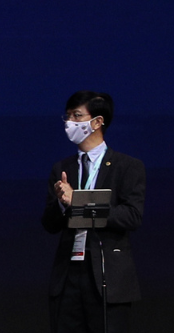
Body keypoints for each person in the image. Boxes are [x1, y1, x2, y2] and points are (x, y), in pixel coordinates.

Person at [41, 91, 145, 333]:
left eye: (77, 116)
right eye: (67, 117)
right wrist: (62, 203)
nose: (70, 123)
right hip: (68, 275)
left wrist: (78, 201)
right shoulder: (62, 168)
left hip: (106, 274)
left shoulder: (127, 167)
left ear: (97, 122)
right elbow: (49, 223)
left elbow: (131, 215)